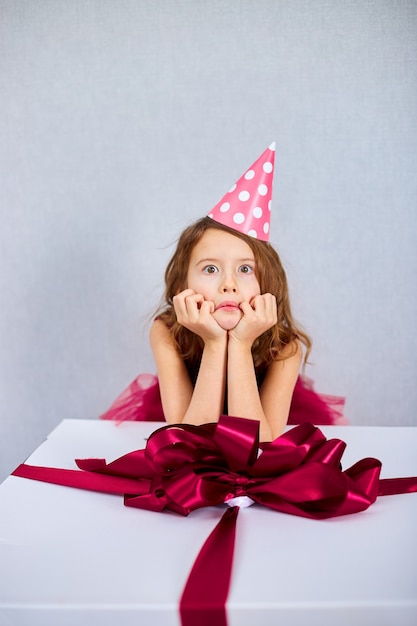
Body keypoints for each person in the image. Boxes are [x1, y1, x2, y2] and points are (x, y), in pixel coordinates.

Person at [100, 144, 345, 438]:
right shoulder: (165, 330)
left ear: (268, 284)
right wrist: (215, 343)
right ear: (182, 286)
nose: (228, 284)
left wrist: (240, 344)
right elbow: (186, 440)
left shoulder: (285, 347)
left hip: (258, 433)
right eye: (210, 269)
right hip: (193, 417)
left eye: (245, 269)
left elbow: (259, 445)